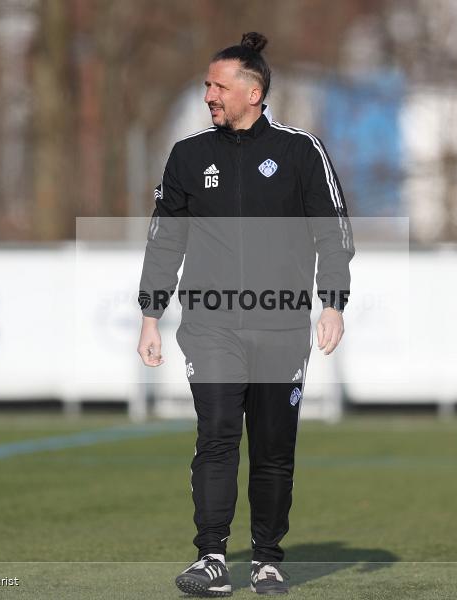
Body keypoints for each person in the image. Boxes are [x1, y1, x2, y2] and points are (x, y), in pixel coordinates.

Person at [137, 32, 354, 597]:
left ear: (253, 93)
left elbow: (333, 236)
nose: (208, 94)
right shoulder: (188, 156)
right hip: (210, 326)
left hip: (282, 326)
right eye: (206, 85)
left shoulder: (301, 152)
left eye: (219, 86)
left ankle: (266, 559)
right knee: (217, 437)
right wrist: (151, 314)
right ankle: (211, 558)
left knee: (273, 449)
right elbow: (164, 241)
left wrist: (333, 303)